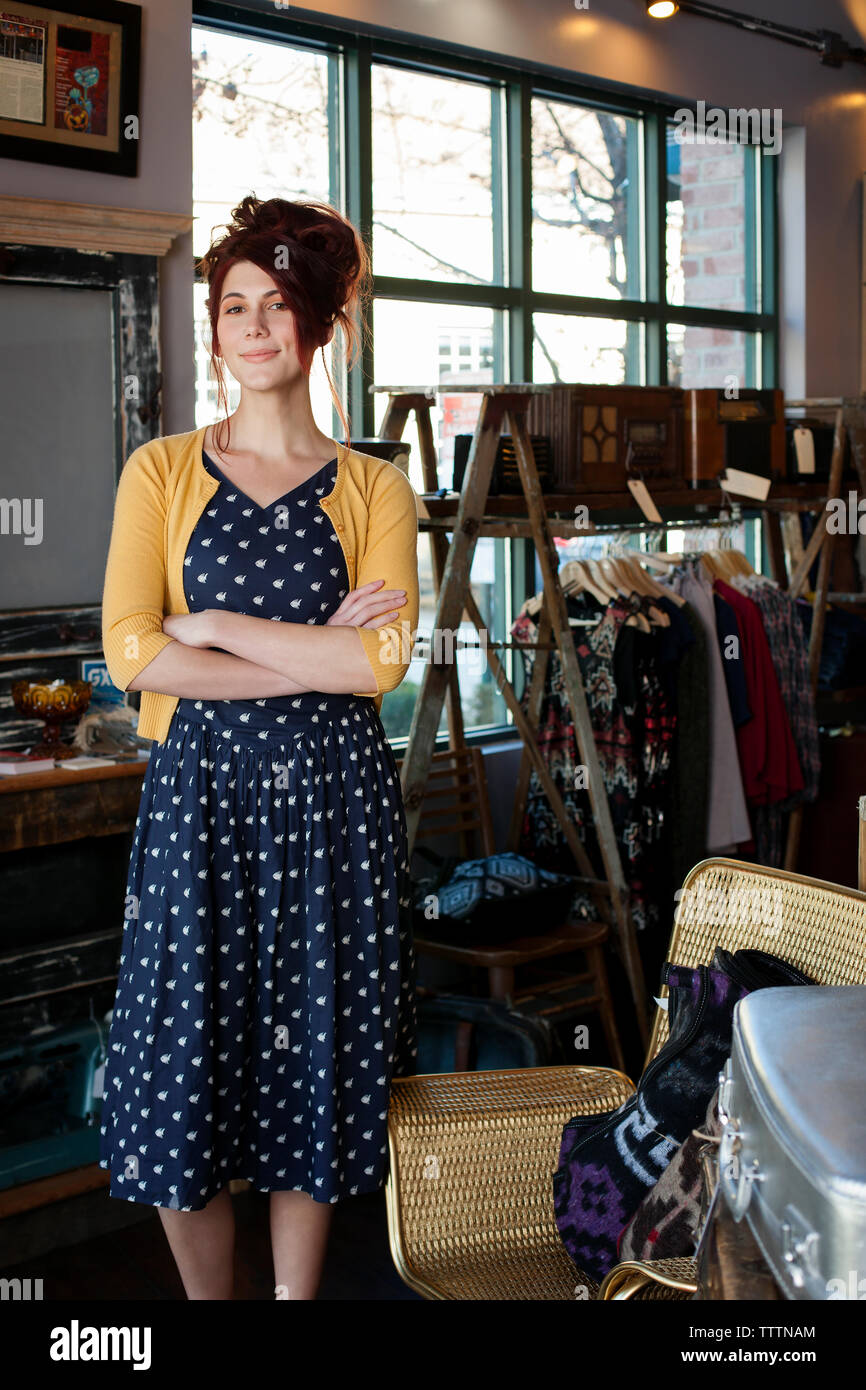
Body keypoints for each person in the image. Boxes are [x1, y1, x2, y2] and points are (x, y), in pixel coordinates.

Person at [98, 194, 420, 1300]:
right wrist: (309, 649)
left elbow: (377, 666)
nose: (249, 326)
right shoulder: (161, 471)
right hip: (201, 808)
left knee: (314, 1069)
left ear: (317, 324)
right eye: (232, 305)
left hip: (335, 809)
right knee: (183, 1065)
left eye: (275, 305)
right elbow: (135, 652)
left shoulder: (378, 487)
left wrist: (224, 626)